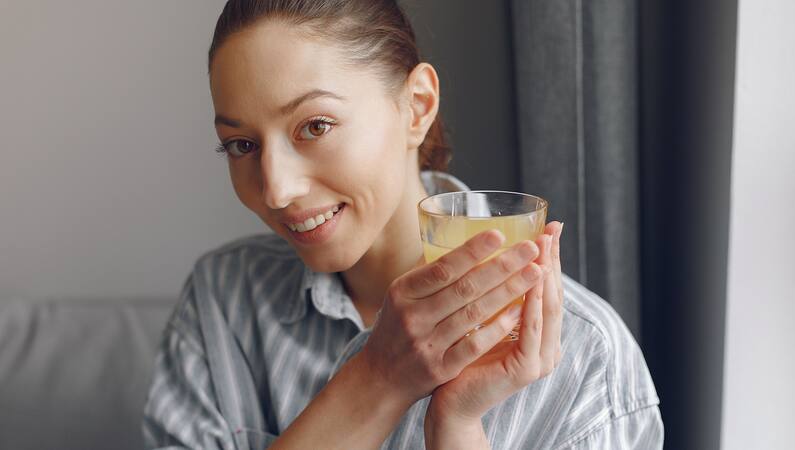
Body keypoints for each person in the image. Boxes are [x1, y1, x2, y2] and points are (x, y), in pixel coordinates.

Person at [141, 1, 664, 448]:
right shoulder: (223, 305)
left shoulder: (586, 356)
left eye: (315, 126)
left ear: (417, 107)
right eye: (242, 145)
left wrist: (455, 428)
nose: (277, 189)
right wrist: (378, 379)